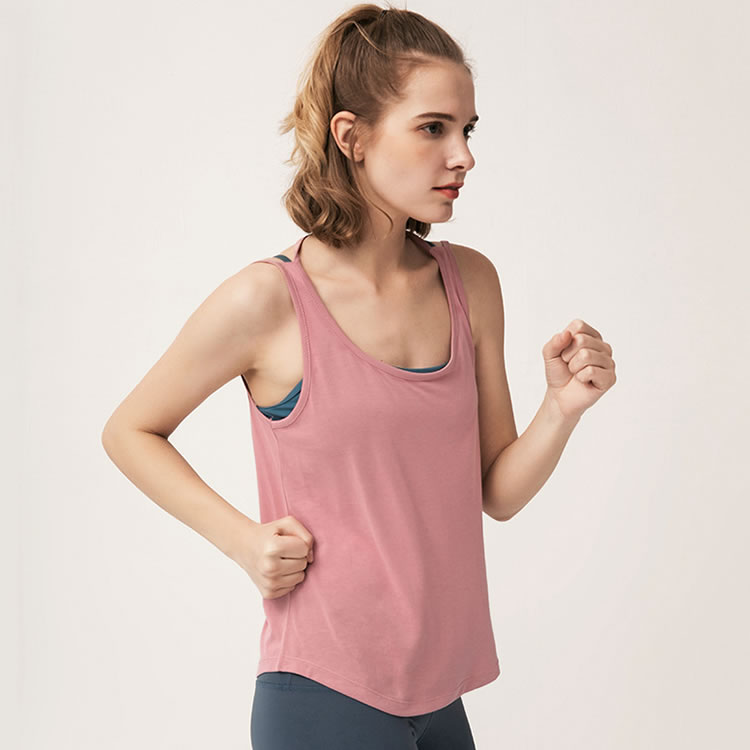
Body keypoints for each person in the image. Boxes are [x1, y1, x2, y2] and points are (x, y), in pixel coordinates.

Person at [101, 4, 616, 749]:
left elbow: (496, 493)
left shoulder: (471, 282)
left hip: (440, 695)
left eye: (467, 130)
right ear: (352, 137)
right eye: (433, 128)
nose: (463, 156)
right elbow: (129, 430)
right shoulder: (268, 300)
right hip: (323, 694)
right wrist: (243, 541)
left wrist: (562, 408)